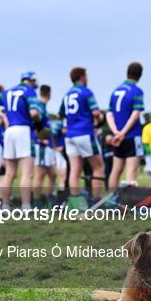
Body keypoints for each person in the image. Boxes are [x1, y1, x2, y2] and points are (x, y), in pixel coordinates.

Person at [0, 71, 41, 210]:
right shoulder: (29, 91)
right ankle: (26, 206)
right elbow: (34, 113)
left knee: (9, 173)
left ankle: (5, 207)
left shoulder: (8, 91)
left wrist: (2, 115)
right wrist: (37, 122)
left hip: (9, 131)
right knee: (27, 173)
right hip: (24, 130)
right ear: (31, 80)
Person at [59, 67, 105, 209]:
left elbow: (61, 113)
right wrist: (98, 120)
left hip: (70, 135)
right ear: (82, 77)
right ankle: (96, 201)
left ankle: (77, 205)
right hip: (84, 133)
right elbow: (96, 112)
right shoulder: (86, 91)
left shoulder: (66, 94)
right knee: (99, 168)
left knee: (74, 170)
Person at [106, 62, 145, 190]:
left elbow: (109, 114)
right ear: (140, 75)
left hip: (117, 137)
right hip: (131, 136)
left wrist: (116, 132)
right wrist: (123, 133)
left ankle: (112, 201)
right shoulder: (137, 91)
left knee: (115, 171)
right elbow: (135, 114)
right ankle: (127, 205)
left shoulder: (116, 90)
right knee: (131, 174)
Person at [33, 85, 57, 208]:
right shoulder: (39, 106)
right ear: (49, 93)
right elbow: (34, 120)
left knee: (53, 174)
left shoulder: (43, 107)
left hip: (48, 147)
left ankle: (48, 198)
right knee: (40, 174)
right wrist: (40, 137)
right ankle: (37, 202)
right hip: (42, 146)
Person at [51, 119, 67, 192]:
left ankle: (63, 191)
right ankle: (61, 192)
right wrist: (55, 146)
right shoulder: (60, 123)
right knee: (63, 175)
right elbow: (53, 134)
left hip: (68, 151)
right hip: (61, 152)